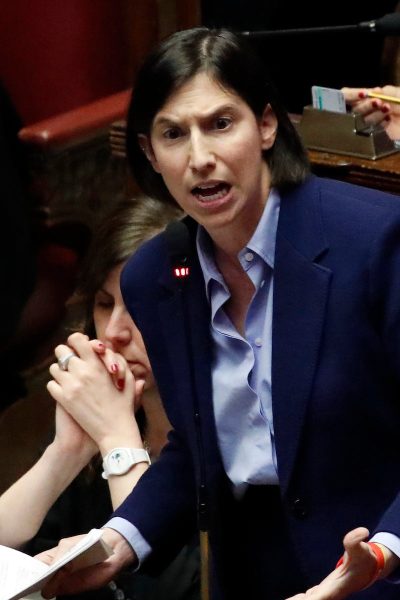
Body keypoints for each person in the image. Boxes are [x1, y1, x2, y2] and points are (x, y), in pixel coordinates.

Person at [39, 27, 400, 600]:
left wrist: (381, 555)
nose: (200, 159)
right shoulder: (155, 277)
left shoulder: (376, 240)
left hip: (379, 563)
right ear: (150, 153)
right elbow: (197, 449)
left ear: (266, 125)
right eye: (173, 134)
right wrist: (116, 541)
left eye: (220, 124)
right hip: (252, 570)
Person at [1, 197, 200, 599]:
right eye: (105, 304)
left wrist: (117, 440)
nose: (113, 333)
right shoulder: (105, 418)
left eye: (142, 306)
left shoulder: (227, 435)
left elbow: (175, 588)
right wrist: (66, 453)